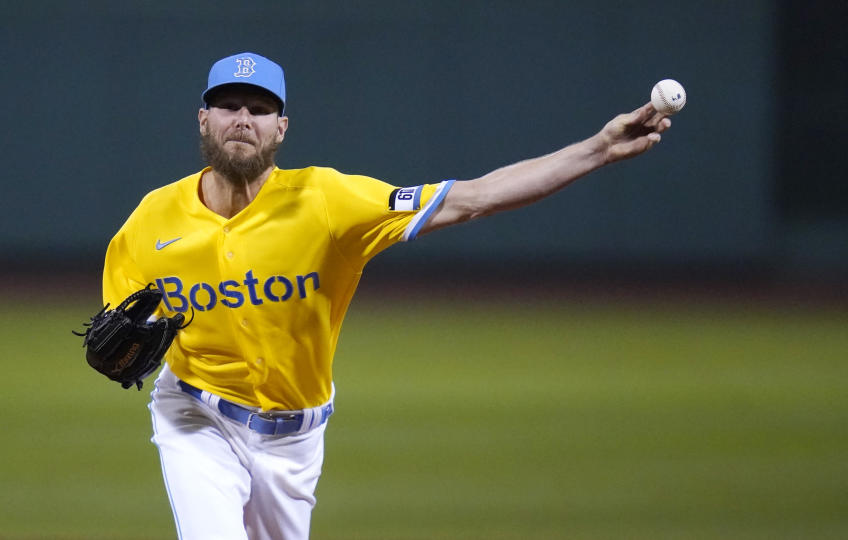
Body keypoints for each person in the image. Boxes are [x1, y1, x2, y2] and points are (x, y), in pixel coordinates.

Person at [100, 51, 673, 540]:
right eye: (228, 105)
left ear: (282, 128)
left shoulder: (328, 201)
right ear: (204, 120)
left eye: (259, 108)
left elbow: (470, 199)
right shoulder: (151, 220)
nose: (242, 119)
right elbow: (115, 325)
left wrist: (598, 148)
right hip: (196, 415)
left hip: (295, 438)